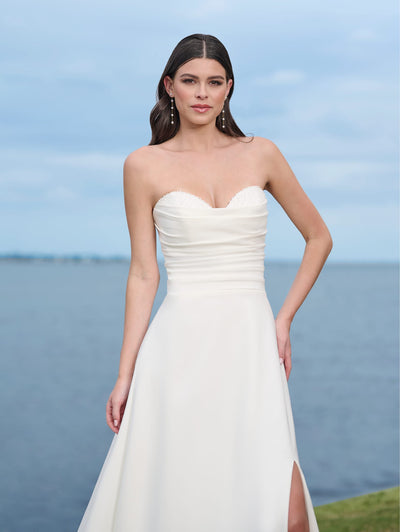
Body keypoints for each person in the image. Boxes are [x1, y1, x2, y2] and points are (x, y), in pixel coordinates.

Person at [77, 33, 332, 532]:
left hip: (251, 340)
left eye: (214, 83)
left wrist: (282, 319)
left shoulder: (262, 153)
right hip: (178, 346)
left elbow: (319, 238)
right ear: (169, 86)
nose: (202, 93)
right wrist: (125, 373)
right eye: (190, 81)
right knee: (182, 489)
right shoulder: (143, 165)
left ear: (228, 89)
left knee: (281, 499)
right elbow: (144, 273)